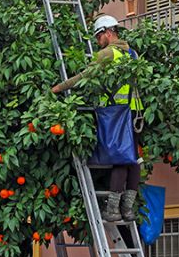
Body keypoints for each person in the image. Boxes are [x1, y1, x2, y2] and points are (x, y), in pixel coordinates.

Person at [51, 15, 143, 222]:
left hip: (117, 113)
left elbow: (85, 76)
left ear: (108, 33)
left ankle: (113, 209)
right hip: (136, 113)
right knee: (133, 159)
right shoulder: (132, 53)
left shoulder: (108, 53)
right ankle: (128, 208)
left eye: (98, 36)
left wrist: (59, 87)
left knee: (120, 158)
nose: (97, 40)